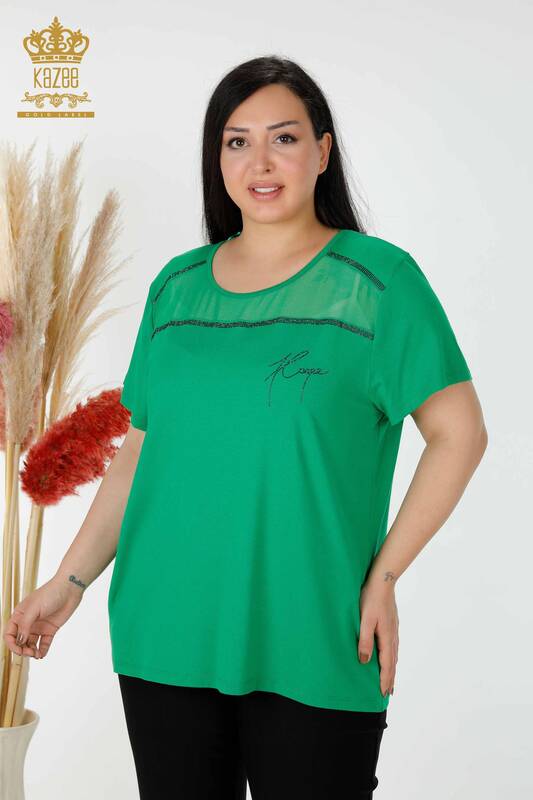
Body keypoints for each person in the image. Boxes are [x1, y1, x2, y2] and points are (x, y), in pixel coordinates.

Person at [4, 55, 488, 799]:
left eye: (283, 138)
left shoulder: (377, 283)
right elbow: (140, 452)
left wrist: (384, 577)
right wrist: (69, 583)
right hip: (165, 627)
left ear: (322, 152)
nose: (260, 162)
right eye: (237, 142)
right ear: (217, 160)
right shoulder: (176, 288)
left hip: (314, 628)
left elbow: (460, 434)